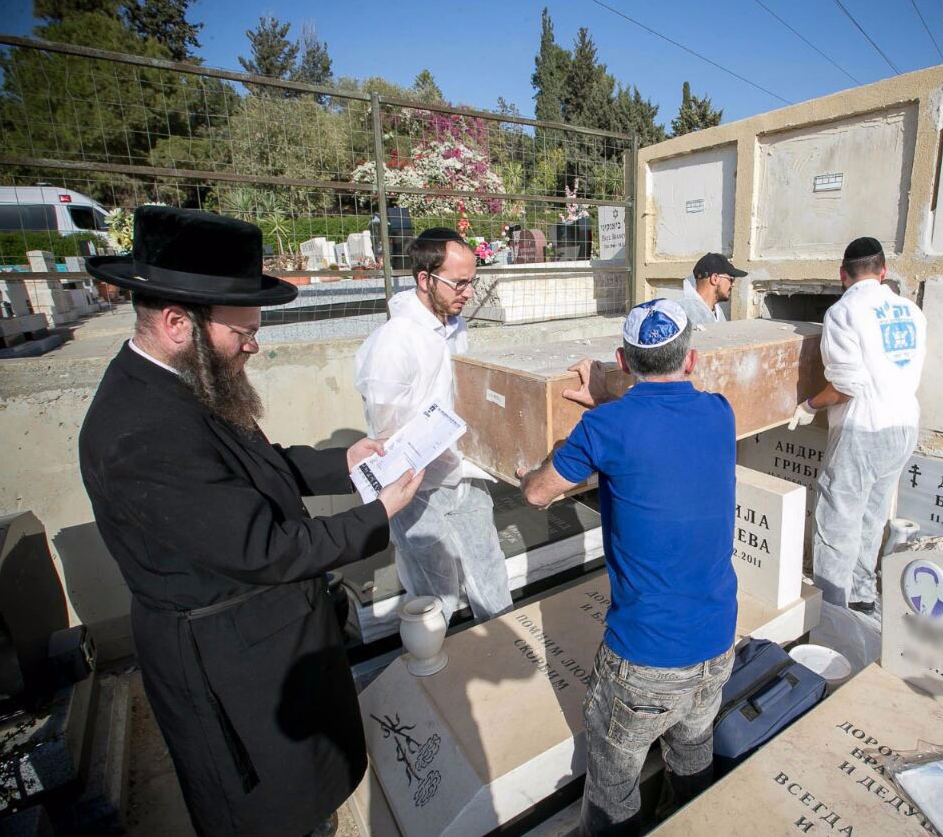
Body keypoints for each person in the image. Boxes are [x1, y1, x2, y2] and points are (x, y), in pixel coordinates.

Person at [79, 206, 424, 837]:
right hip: (231, 668)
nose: (253, 345)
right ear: (179, 322)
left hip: (268, 636)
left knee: (309, 786)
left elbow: (257, 467)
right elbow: (264, 546)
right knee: (272, 809)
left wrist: (343, 463)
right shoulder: (138, 432)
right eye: (242, 332)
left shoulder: (185, 382)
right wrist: (378, 514)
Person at [518, 299, 738, 835]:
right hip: (716, 643)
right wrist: (612, 390)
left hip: (645, 660)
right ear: (690, 360)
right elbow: (654, 402)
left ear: (623, 357)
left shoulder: (604, 427)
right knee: (692, 756)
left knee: (614, 789)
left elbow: (539, 494)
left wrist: (535, 469)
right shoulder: (719, 411)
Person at [354, 228, 512, 626]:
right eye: (459, 282)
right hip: (417, 487)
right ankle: (435, 676)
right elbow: (386, 432)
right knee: (433, 592)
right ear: (425, 279)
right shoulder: (394, 343)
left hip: (463, 474)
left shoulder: (455, 328)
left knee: (489, 572)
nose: (469, 292)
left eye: (472, 281)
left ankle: (504, 650)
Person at [788, 236, 927, 616]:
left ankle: (831, 614)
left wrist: (810, 404)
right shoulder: (911, 311)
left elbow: (847, 386)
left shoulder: (843, 312)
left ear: (843, 275)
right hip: (902, 426)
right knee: (872, 515)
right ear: (883, 272)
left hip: (863, 429)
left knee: (836, 523)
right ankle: (863, 598)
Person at [677, 252, 747, 326]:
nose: (733, 285)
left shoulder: (718, 312)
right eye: (731, 279)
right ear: (715, 279)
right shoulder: (682, 312)